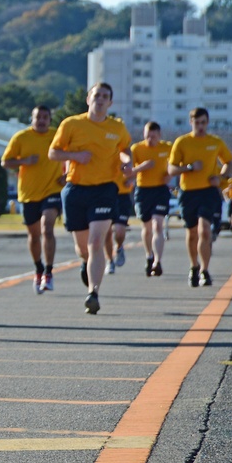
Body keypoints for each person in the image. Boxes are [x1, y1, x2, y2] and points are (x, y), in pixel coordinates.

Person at [48, 83, 132, 314]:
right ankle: (86, 263)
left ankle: (93, 293)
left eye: (105, 97)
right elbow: (53, 153)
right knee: (83, 247)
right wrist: (75, 155)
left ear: (110, 103)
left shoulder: (117, 127)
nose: (100, 99)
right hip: (76, 189)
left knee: (97, 242)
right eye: (97, 95)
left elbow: (125, 148)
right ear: (88, 99)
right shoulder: (72, 124)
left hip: (105, 190)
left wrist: (127, 161)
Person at [1, 105, 64, 294]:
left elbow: (72, 155)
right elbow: (5, 162)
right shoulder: (21, 138)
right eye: (38, 117)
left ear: (50, 120)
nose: (42, 120)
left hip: (52, 190)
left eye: (45, 117)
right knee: (34, 236)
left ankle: (49, 272)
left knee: (47, 228)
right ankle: (38, 269)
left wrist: (67, 175)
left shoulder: (58, 135)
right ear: (32, 118)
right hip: (28, 193)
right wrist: (24, 162)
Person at [168, 108, 232, 288]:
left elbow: (228, 162)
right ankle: (194, 266)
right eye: (197, 123)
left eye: (203, 122)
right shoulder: (182, 142)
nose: (201, 126)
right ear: (191, 123)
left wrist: (220, 178)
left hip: (208, 192)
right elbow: (171, 169)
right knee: (192, 233)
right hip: (188, 192)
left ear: (208, 122)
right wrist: (189, 168)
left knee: (205, 230)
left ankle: (205, 270)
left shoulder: (215, 142)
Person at [130, 121, 172, 277]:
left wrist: (170, 174)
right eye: (147, 136)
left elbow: (177, 164)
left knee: (157, 226)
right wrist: (142, 167)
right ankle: (149, 255)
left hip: (160, 190)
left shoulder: (167, 147)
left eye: (153, 136)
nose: (150, 139)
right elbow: (128, 173)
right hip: (143, 191)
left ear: (159, 136)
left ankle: (157, 262)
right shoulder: (137, 149)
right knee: (147, 228)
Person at [105, 117, 134, 275]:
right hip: (105, 193)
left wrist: (130, 177)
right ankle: (110, 261)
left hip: (122, 194)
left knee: (120, 230)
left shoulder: (124, 152)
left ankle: (119, 247)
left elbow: (131, 171)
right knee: (106, 231)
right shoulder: (102, 150)